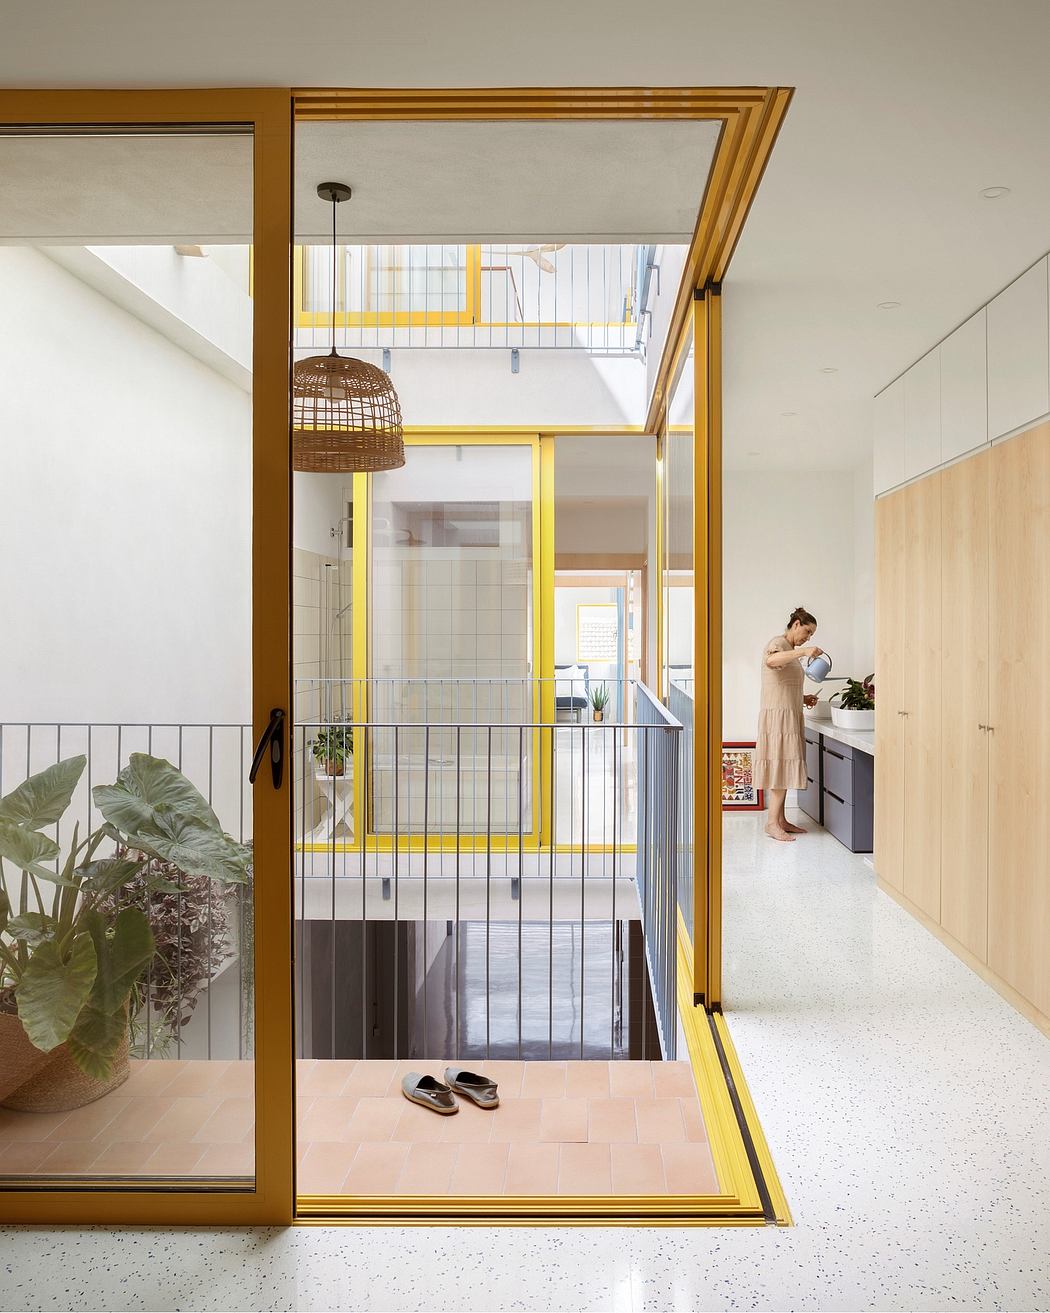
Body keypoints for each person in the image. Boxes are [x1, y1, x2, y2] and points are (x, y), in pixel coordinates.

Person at [754, 606, 821, 842]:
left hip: (789, 714)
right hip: (777, 717)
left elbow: (781, 683)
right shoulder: (779, 643)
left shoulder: (790, 649)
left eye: (811, 635)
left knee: (784, 765)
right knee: (780, 766)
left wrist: (803, 697)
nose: (808, 637)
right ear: (795, 624)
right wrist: (803, 652)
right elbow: (771, 661)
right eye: (807, 631)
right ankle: (772, 823)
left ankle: (780, 820)